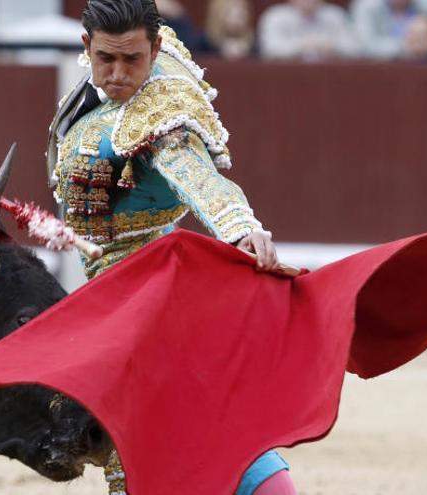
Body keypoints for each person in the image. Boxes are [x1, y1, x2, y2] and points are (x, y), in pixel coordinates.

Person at [47, 0, 295, 493]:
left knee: (142, 439)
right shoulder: (100, 87)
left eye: (133, 60)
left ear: (156, 48)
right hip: (127, 297)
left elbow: (197, 175)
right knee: (203, 415)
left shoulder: (162, 113)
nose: (118, 74)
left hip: (146, 302)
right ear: (86, 48)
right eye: (106, 59)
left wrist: (240, 227)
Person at [258, 0, 360, 61]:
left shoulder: (336, 15)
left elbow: (355, 48)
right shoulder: (276, 16)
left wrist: (332, 46)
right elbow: (270, 49)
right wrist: (303, 45)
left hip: (332, 76)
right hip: (288, 76)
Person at [351, 0, 424, 59]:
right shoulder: (366, 6)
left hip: (419, 66)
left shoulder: (424, 7)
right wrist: (405, 46)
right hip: (376, 69)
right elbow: (364, 45)